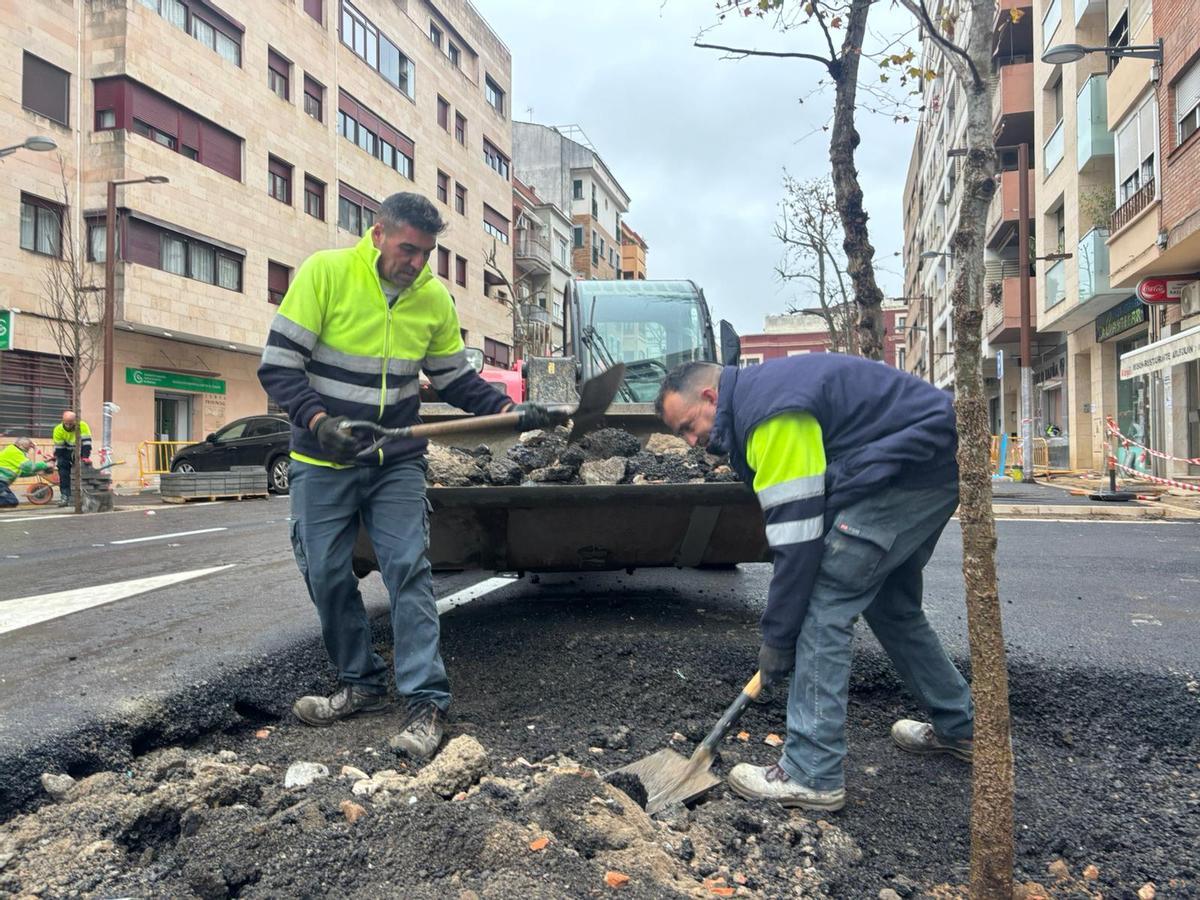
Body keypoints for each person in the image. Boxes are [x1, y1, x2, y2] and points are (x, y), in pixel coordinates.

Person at [258, 192, 551, 759]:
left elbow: (454, 381)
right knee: (325, 572)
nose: (416, 263)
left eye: (427, 253)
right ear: (377, 235)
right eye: (407, 249)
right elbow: (278, 367)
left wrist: (508, 412)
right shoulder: (326, 274)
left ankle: (426, 702)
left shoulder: (433, 300)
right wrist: (318, 422)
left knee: (408, 570)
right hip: (323, 460)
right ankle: (361, 684)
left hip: (396, 460)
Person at [656, 356, 974, 812]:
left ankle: (811, 771)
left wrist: (778, 638)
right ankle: (961, 726)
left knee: (825, 601)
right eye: (682, 436)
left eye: (689, 425)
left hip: (907, 471)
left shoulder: (770, 417)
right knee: (890, 604)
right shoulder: (760, 398)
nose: (693, 441)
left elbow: (797, 540)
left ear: (710, 396)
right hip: (929, 462)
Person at [52, 411, 93, 507]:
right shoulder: (58, 429)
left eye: (71, 423)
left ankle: (85, 495)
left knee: (82, 470)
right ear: (63, 421)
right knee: (63, 470)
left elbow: (86, 443)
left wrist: (85, 457)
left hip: (79, 450)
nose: (68, 426)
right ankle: (65, 496)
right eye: (66, 423)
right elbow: (59, 448)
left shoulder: (82, 426)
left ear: (76, 420)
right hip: (65, 451)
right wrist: (57, 459)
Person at [0, 437, 53, 509]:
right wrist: (46, 464)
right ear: (21, 445)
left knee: (11, 501)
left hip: (2, 484)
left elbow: (21, 473)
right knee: (11, 501)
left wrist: (37, 472)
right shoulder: (15, 452)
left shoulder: (13, 450)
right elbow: (30, 467)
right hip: (1, 483)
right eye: (28, 447)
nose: (29, 449)